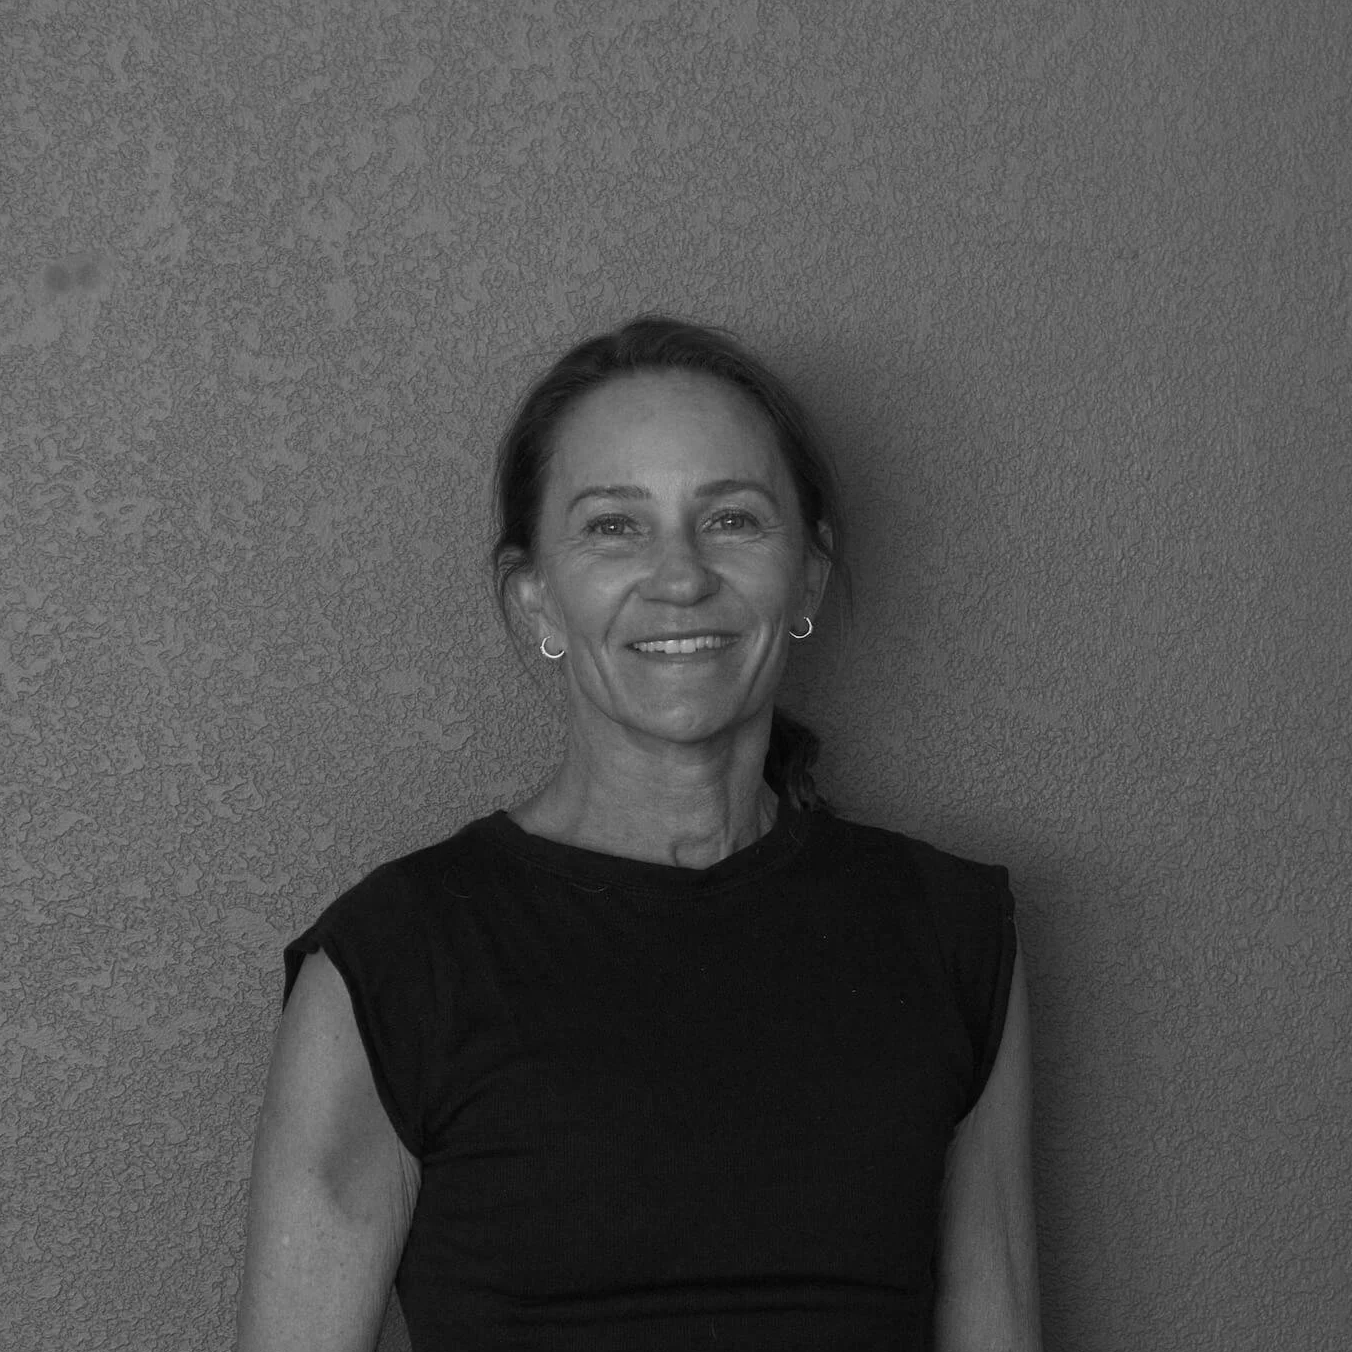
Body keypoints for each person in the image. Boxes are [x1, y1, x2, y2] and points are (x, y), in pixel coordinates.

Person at [236, 315, 1042, 1351]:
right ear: (535, 597)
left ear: (806, 574)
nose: (679, 575)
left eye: (734, 519)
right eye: (614, 525)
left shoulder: (952, 933)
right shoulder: (393, 961)